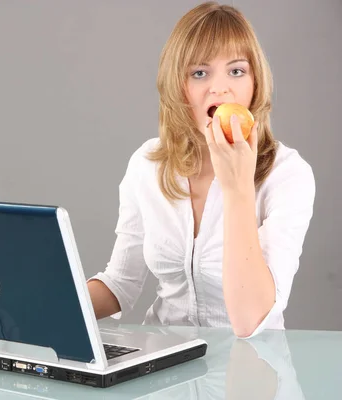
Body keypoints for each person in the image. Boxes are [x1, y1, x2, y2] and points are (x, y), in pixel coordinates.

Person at [86, 1, 315, 339]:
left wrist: (238, 188)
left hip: (253, 374)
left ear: (254, 84)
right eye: (199, 73)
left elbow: (251, 320)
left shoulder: (287, 175)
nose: (219, 88)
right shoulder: (147, 164)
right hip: (165, 369)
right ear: (180, 87)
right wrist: (45, 307)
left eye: (236, 71)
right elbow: (120, 283)